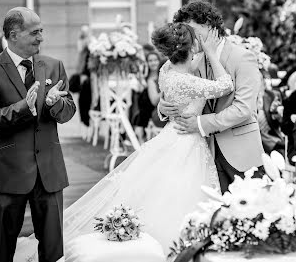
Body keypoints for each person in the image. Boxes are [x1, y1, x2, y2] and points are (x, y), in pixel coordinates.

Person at [61, 23, 232, 259]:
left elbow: (173, 86)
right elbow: (226, 85)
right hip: (186, 142)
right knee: (179, 196)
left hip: (173, 135)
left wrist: (163, 105)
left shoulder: (166, 70)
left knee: (163, 193)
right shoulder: (186, 80)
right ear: (190, 46)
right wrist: (212, 53)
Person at [0, 7, 76, 262]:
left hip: (50, 173)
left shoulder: (54, 66)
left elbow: (68, 112)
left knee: (53, 253)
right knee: (2, 251)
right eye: (35, 32)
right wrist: (25, 107)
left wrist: (54, 104)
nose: (41, 38)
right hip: (9, 174)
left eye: (42, 31)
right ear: (14, 35)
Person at [158, 0, 265, 194]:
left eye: (192, 31)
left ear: (208, 25)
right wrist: (163, 108)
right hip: (202, 156)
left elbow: (244, 108)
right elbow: (175, 90)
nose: (188, 38)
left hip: (240, 153)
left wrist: (200, 123)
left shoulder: (243, 57)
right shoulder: (190, 60)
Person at [132, 51, 164, 143]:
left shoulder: (163, 75)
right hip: (146, 109)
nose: (153, 63)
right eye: (150, 60)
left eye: (155, 60)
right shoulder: (145, 77)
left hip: (153, 109)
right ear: (147, 62)